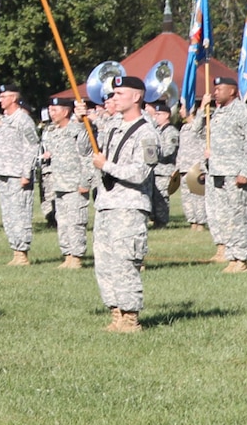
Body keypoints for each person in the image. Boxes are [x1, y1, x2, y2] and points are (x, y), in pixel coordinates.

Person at [80, 75, 158, 333]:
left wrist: (107, 167)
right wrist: (84, 119)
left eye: (119, 94)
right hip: (106, 204)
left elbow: (141, 172)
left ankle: (131, 318)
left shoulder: (147, 132)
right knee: (105, 263)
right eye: (112, 95)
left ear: (136, 96)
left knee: (125, 261)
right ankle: (116, 314)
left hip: (129, 205)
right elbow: (90, 138)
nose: (113, 98)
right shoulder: (114, 127)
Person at [195, 77, 247, 273]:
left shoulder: (244, 112)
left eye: (219, 89)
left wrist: (246, 171)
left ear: (232, 91)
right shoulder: (217, 113)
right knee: (222, 217)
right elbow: (198, 132)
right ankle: (229, 254)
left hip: (235, 173)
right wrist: (201, 110)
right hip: (217, 173)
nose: (215, 92)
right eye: (215, 88)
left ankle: (240, 260)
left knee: (238, 216)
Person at [0, 83, 40, 265]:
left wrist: (26, 173)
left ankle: (22, 252)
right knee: (8, 214)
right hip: (4, 172)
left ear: (13, 98)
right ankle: (15, 250)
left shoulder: (23, 120)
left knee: (20, 213)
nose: (0, 99)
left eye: (3, 96)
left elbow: (32, 146)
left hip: (17, 174)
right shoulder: (5, 120)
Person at [41, 97, 92, 268]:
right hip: (60, 184)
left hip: (74, 185)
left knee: (76, 221)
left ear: (65, 111)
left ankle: (77, 257)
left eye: (54, 110)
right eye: (50, 109)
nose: (51, 113)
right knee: (62, 222)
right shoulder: (54, 132)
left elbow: (86, 157)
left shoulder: (78, 129)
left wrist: (85, 181)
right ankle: (68, 255)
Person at [148, 101, 179, 228]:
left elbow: (169, 150)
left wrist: (153, 154)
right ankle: (155, 220)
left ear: (167, 115)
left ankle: (161, 222)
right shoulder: (157, 130)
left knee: (161, 199)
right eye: (155, 114)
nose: (155, 117)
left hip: (164, 170)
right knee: (153, 197)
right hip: (155, 170)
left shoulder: (171, 132)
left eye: (159, 114)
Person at [177, 101, 207, 231]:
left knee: (198, 197)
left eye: (184, 107)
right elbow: (181, 149)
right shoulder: (184, 128)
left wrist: (201, 107)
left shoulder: (202, 126)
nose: (180, 110)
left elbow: (197, 126)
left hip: (196, 168)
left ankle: (201, 223)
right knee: (186, 198)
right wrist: (177, 167)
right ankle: (192, 222)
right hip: (184, 167)